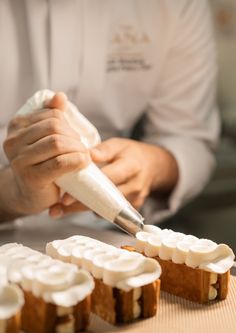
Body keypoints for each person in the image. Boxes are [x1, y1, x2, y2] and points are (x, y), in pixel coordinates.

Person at [0, 0, 219, 226]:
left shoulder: (177, 5)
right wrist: (11, 195)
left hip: (106, 232)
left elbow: (190, 138)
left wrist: (152, 165)